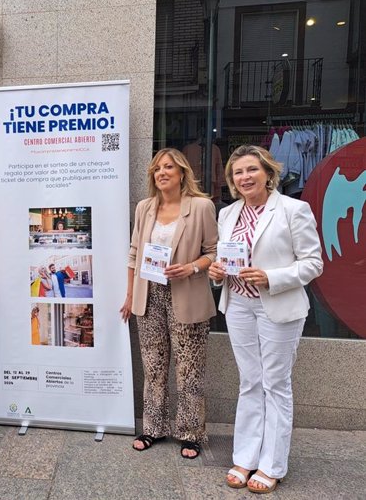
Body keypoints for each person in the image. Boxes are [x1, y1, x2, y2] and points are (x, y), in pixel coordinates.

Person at [208, 145, 323, 493]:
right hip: (239, 305)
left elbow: (313, 263)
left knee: (275, 383)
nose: (244, 177)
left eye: (251, 170)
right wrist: (216, 272)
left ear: (268, 173)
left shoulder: (293, 209)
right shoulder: (227, 214)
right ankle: (244, 456)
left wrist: (272, 277)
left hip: (278, 306)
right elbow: (226, 260)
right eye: (238, 172)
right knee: (249, 381)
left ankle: (272, 464)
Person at [119, 147, 218, 459]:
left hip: (186, 293)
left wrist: (191, 267)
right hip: (149, 295)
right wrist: (129, 294)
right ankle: (152, 428)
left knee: (189, 369)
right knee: (153, 368)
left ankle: (190, 432)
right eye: (157, 169)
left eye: (169, 168)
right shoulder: (145, 207)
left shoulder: (202, 207)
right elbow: (134, 253)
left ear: (182, 173)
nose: (162, 173)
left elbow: (214, 252)